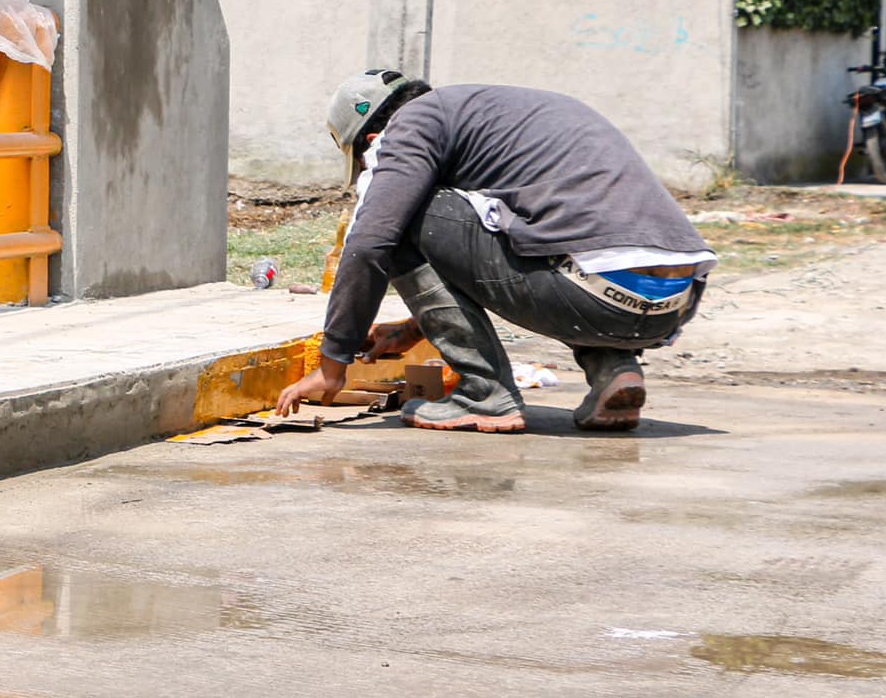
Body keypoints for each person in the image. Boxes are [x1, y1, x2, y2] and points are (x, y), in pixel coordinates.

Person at [275, 70, 715, 433]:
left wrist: (334, 364)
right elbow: (524, 244)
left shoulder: (407, 129)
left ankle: (485, 395)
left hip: (594, 293)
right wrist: (414, 329)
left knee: (400, 217)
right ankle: (613, 370)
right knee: (562, 242)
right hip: (672, 304)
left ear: (373, 138)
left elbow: (371, 242)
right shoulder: (496, 114)